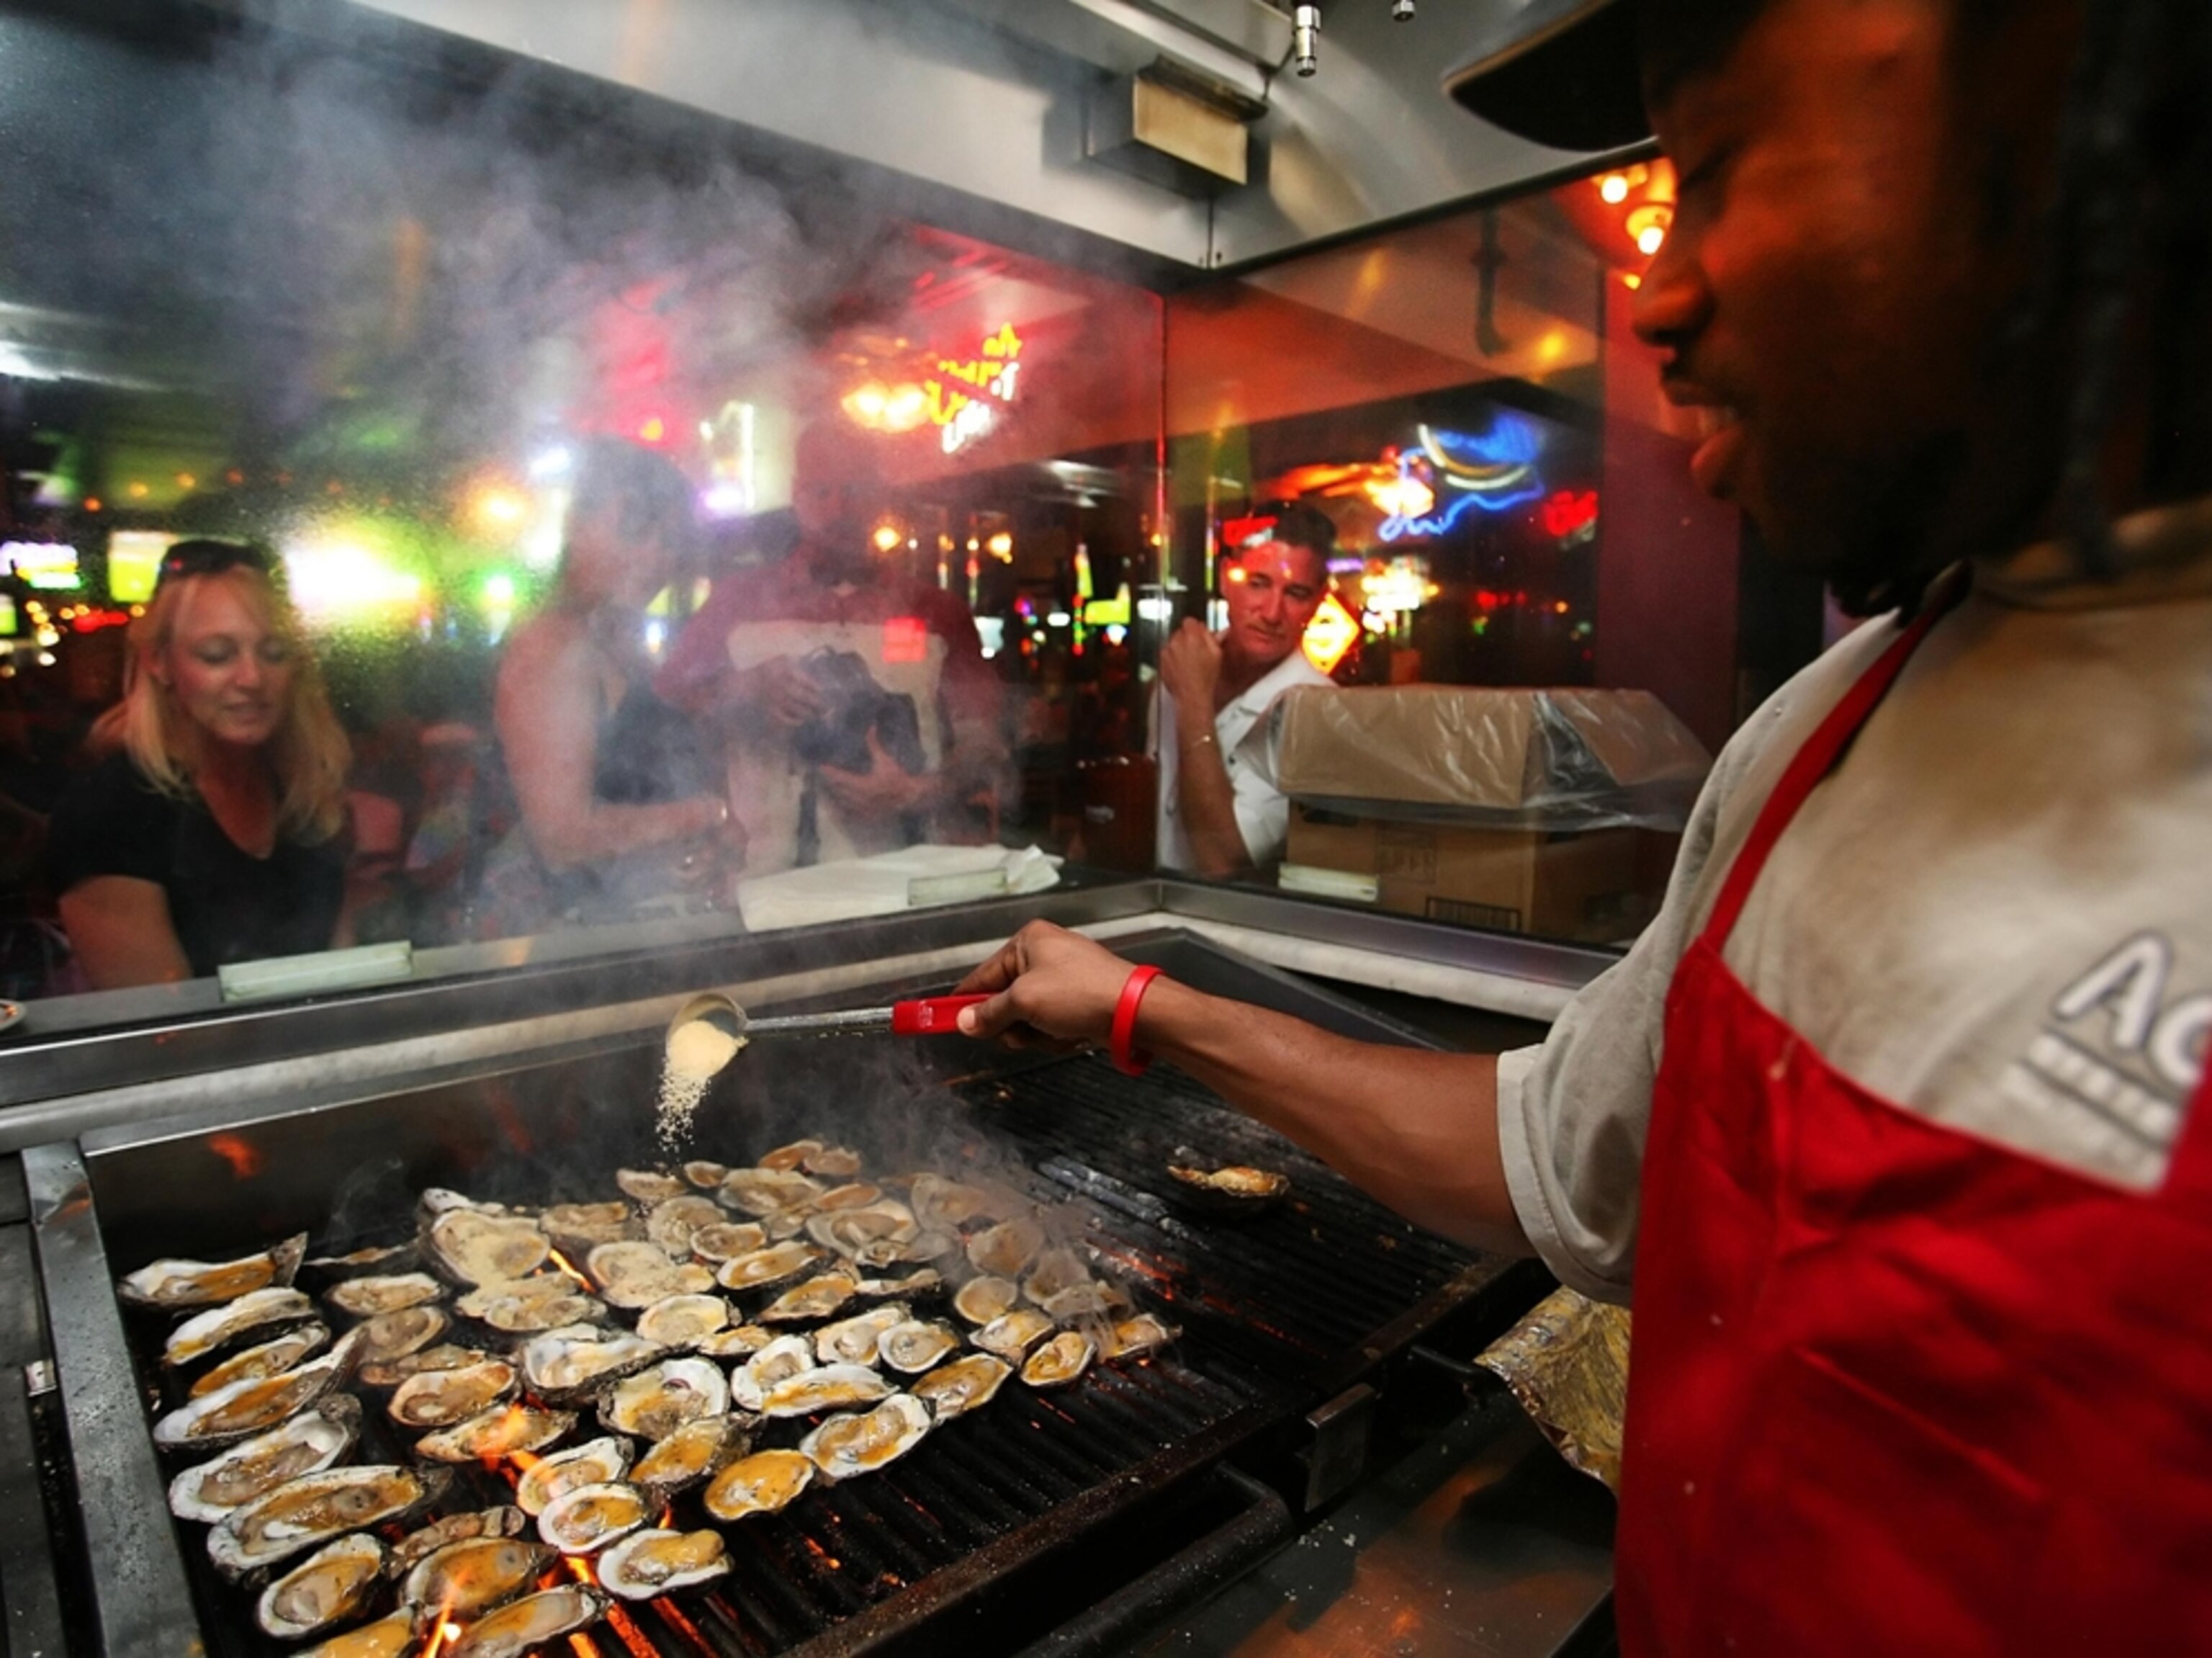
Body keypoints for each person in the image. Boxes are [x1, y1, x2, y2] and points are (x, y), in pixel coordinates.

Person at [953, 1, 2212, 1651]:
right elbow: (1555, 1162)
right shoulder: (1814, 734)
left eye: (1717, 168)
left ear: (2087, 92)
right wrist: (1134, 1004)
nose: (1656, 297)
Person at [657, 421, 1004, 874]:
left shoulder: (936, 611)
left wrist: (916, 792)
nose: (839, 508)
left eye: (856, 490)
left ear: (881, 498)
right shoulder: (736, 602)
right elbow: (667, 720)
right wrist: (743, 690)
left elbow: (986, 742)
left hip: (904, 881)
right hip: (761, 884)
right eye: (822, 491)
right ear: (798, 497)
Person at [48, 539, 352, 985]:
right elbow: (160, 1034)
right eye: (217, 655)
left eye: (274, 654)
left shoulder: (304, 791)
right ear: (159, 662)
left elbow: (343, 975)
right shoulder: (112, 812)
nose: (252, 679)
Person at [481, 439, 740, 933]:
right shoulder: (552, 644)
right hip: (559, 950)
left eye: (671, 541)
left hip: (619, 932)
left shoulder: (610, 639)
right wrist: (705, 815)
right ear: (578, 524)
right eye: (636, 527)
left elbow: (633, 797)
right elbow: (563, 836)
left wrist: (691, 852)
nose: (655, 556)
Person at [1154, 505, 1335, 877]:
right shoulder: (1181, 665)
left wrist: (1194, 701)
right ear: (1226, 579)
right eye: (1258, 583)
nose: (1271, 612)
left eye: (1295, 593)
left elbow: (1222, 860)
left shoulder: (1317, 708)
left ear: (1318, 603)